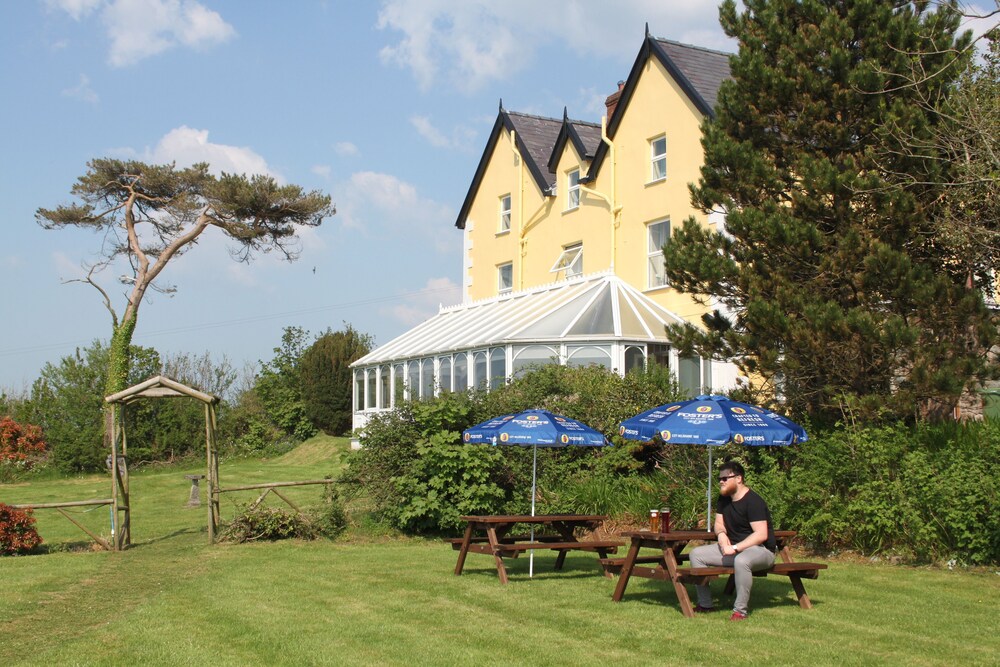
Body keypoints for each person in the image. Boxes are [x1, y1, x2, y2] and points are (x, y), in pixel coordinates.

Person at [688, 460, 776, 621]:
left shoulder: (754, 502)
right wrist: (721, 536)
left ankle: (740, 611)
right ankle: (705, 604)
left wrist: (735, 548)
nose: (721, 482)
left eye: (724, 478)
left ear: (739, 478)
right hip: (733, 550)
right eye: (719, 479)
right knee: (696, 554)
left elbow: (761, 535)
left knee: (742, 561)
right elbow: (719, 524)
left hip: (761, 551)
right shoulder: (724, 500)